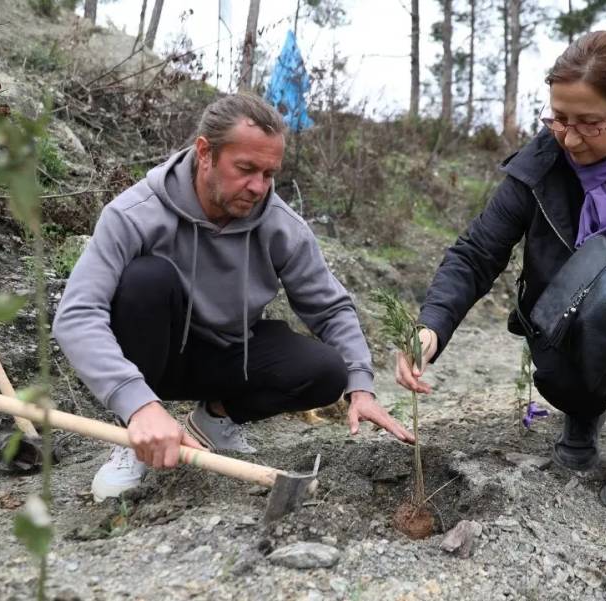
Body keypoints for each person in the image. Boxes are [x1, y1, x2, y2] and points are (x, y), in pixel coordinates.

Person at [393, 32, 606, 521]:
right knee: (563, 378)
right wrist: (431, 325)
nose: (570, 138)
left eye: (590, 123)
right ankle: (582, 410)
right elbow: (477, 253)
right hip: (572, 316)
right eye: (559, 118)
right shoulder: (538, 166)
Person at [54, 93, 413, 502]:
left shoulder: (281, 227)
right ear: (205, 153)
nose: (258, 187)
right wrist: (137, 404)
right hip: (152, 358)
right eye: (245, 169)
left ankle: (214, 421)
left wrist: (361, 387)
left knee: (329, 370)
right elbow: (77, 314)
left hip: (227, 358)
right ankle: (135, 435)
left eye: (268, 173)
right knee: (145, 279)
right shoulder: (135, 213)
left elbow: (331, 310)